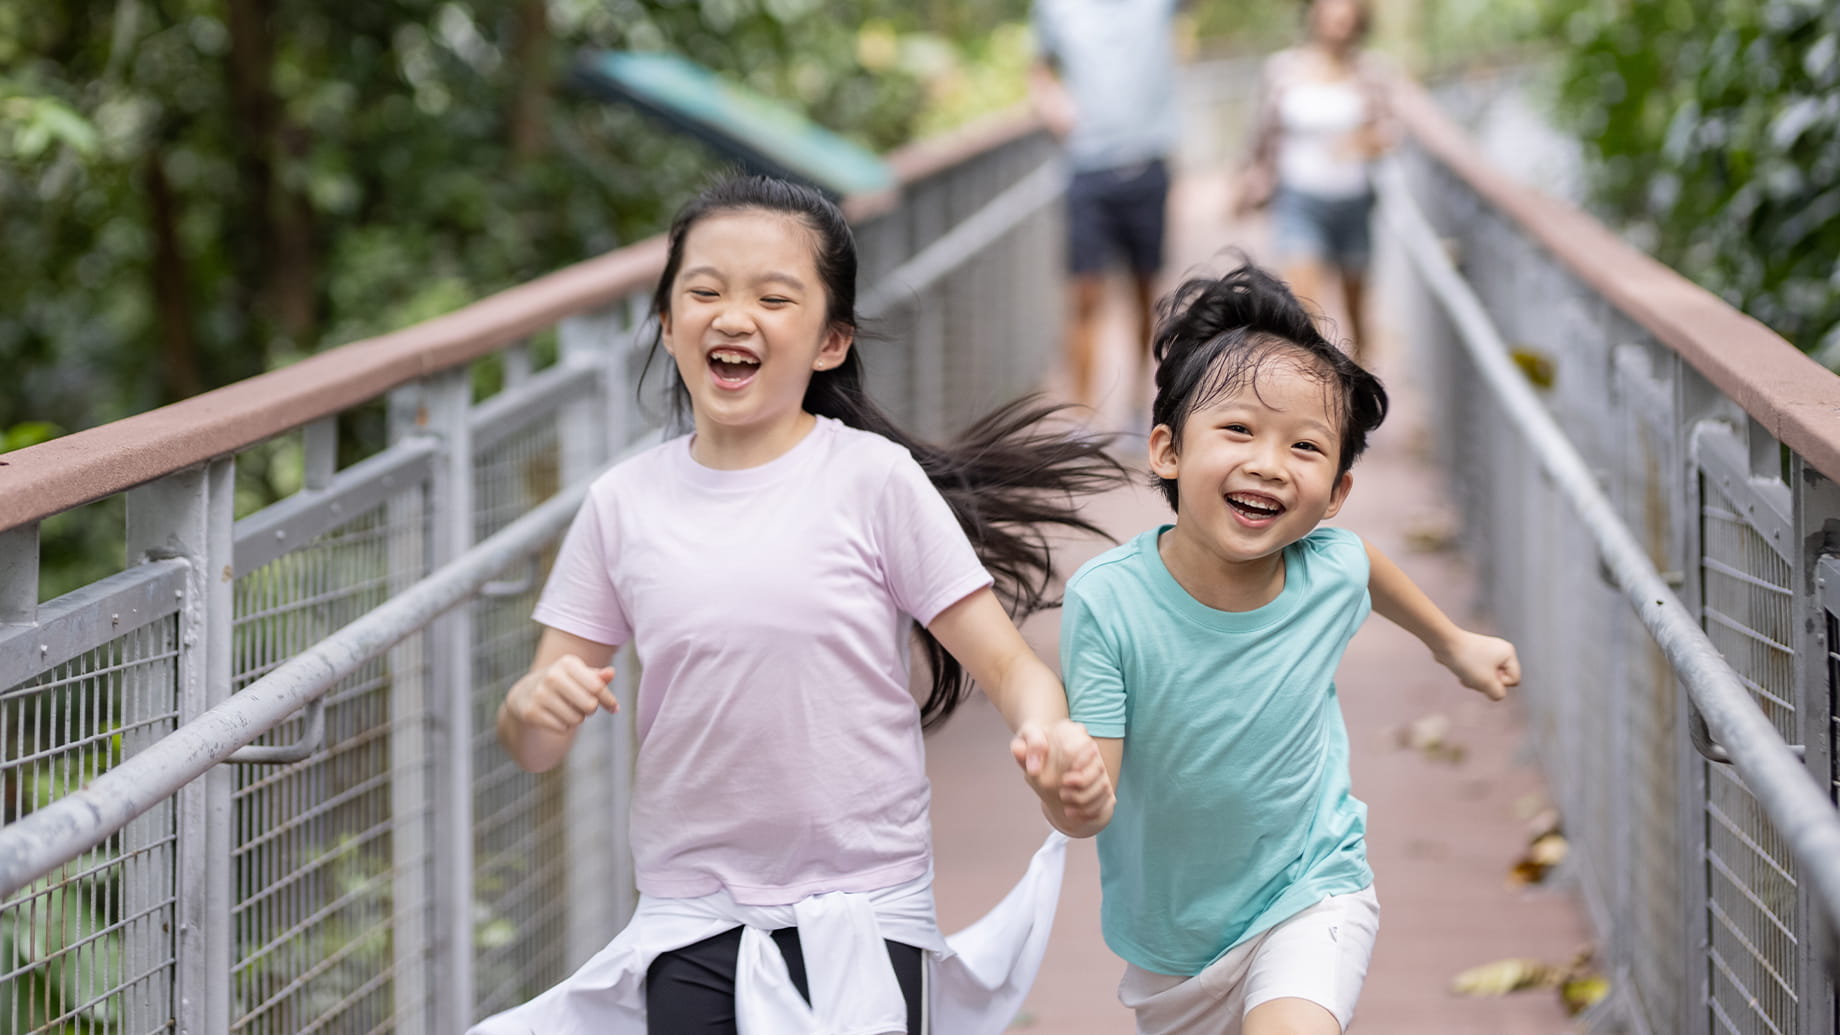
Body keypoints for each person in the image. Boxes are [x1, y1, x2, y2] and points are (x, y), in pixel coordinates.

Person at [468, 175, 1121, 1035]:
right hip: (690, 916)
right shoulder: (622, 505)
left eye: (773, 298)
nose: (733, 317)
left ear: (830, 341)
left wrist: (1052, 738)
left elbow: (1012, 670)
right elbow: (535, 743)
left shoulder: (874, 481)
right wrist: (530, 706)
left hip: (866, 908)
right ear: (666, 321)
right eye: (704, 291)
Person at [1060, 263, 1521, 1034]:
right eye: (1238, 430)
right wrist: (1068, 790)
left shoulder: (1325, 567)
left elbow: (1362, 565)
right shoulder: (1108, 601)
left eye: (1305, 446)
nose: (1269, 465)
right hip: (1174, 941)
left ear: (1335, 493)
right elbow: (1092, 796)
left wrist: (1453, 643)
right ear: (1167, 450)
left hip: (1312, 889)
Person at [1030, 0, 1183, 416]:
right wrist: (1050, 99)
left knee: (1145, 295)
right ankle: (1081, 418)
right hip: (1087, 170)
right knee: (1083, 296)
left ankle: (1139, 404)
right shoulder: (1056, 8)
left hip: (1148, 164)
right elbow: (1039, 69)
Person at [1234, 0, 1391, 361]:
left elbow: (1389, 133)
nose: (1338, 22)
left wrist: (1361, 143)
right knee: (1304, 311)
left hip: (1353, 202)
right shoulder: (1283, 69)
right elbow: (1259, 134)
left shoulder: (1371, 71)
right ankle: (1318, 386)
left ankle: (1360, 384)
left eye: (1346, 17)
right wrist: (1245, 181)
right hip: (1298, 200)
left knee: (1356, 313)